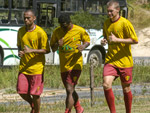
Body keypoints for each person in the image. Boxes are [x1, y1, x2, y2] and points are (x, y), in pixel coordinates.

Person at [101, 1, 138, 113]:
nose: (109, 13)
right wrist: (104, 41)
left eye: (111, 11)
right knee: (106, 84)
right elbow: (106, 37)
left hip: (124, 62)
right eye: (108, 11)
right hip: (111, 60)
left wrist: (118, 40)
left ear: (118, 10)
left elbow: (134, 40)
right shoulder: (106, 23)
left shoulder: (125, 23)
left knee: (126, 88)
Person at [50, 14, 90, 113]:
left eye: (65, 26)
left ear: (70, 22)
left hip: (76, 65)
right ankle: (79, 108)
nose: (63, 28)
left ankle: (67, 111)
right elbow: (53, 48)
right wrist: (57, 44)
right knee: (70, 89)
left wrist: (83, 46)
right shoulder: (57, 32)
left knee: (69, 89)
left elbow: (87, 41)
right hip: (64, 66)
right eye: (61, 26)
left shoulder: (79, 30)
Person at [17, 9, 50, 113]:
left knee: (35, 94)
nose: (26, 20)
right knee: (21, 91)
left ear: (34, 18)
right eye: (24, 18)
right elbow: (19, 46)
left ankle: (36, 111)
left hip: (37, 68)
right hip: (24, 67)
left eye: (28, 18)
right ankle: (33, 106)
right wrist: (20, 52)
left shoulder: (40, 32)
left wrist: (31, 51)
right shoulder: (21, 31)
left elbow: (46, 50)